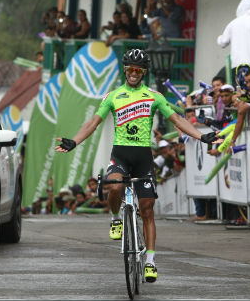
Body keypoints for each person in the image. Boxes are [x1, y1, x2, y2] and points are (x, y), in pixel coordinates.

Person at [55, 48, 220, 283]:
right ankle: (115, 218)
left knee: (148, 210)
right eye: (130, 69)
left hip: (143, 157)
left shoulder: (154, 96)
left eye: (138, 70)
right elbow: (94, 122)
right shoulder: (113, 95)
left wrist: (200, 136)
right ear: (125, 70)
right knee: (113, 187)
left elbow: (178, 120)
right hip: (120, 155)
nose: (134, 73)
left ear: (143, 72)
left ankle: (150, 262)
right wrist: (74, 141)